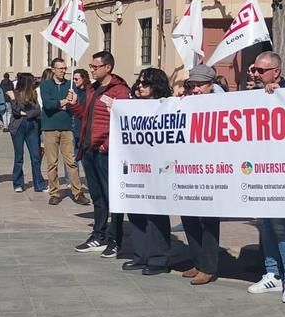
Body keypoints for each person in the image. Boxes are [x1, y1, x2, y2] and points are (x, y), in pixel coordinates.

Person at [246, 51, 285, 304]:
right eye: (254, 70)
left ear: (276, 72)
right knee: (268, 227)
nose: (255, 74)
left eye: (261, 71)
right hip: (261, 170)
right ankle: (272, 273)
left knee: (283, 227)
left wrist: (281, 92)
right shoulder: (252, 96)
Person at [68, 51, 130, 254]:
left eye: (95, 66)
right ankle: (99, 235)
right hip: (88, 149)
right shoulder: (92, 89)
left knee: (112, 196)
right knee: (97, 196)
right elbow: (85, 117)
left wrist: (106, 145)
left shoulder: (119, 91)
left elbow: (123, 121)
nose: (91, 70)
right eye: (91, 66)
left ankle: (115, 238)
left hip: (105, 151)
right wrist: (74, 105)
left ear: (108, 67)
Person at [120, 68, 174, 275]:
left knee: (156, 214)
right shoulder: (132, 106)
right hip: (135, 165)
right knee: (136, 211)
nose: (140, 87)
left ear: (156, 86)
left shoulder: (167, 105)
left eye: (145, 83)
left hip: (159, 168)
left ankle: (159, 259)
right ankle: (140, 254)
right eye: (139, 83)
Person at [179, 64, 222, 285]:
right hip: (188, 168)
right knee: (189, 216)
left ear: (211, 85)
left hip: (211, 170)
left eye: (199, 86)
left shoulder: (223, 103)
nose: (195, 89)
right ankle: (197, 260)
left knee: (208, 220)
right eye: (192, 85)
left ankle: (209, 266)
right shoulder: (186, 102)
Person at [41, 58, 86, 205]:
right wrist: (64, 101)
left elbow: (75, 104)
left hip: (67, 128)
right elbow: (48, 105)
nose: (63, 71)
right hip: (50, 127)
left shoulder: (70, 85)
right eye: (60, 68)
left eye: (64, 68)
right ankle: (54, 192)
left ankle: (77, 192)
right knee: (52, 163)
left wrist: (66, 102)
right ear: (53, 70)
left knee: (71, 162)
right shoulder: (46, 85)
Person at [8, 74, 46, 193]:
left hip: (32, 127)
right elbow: (16, 110)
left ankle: (38, 184)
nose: (35, 82)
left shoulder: (33, 94)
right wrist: (14, 101)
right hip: (18, 127)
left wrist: (25, 113)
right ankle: (18, 183)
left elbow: (37, 110)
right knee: (19, 156)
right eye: (32, 80)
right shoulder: (14, 93)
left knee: (35, 156)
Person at [70, 68, 90, 174]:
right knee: (72, 156)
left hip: (85, 127)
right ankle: (72, 181)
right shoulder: (73, 91)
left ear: (84, 78)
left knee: (86, 158)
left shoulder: (89, 92)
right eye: (73, 79)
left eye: (77, 79)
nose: (74, 81)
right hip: (74, 125)